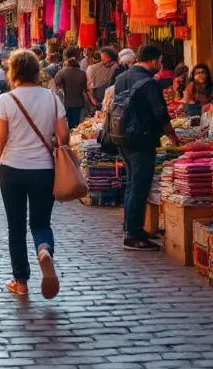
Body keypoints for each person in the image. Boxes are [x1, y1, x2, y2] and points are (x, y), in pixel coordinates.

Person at [0, 49, 68, 299]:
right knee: (40, 222)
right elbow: (64, 135)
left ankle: (21, 281)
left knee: (16, 226)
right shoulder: (51, 98)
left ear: (13, 72)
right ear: (36, 71)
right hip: (44, 169)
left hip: (12, 169)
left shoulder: (5, 100)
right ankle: (44, 250)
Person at [109, 44, 180, 251]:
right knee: (139, 186)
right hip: (141, 139)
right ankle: (133, 235)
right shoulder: (150, 83)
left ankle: (131, 227)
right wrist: (173, 136)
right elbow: (160, 112)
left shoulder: (122, 78)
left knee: (132, 184)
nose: (160, 66)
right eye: (160, 62)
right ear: (153, 60)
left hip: (122, 137)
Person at [54, 55, 93, 127]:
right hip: (79, 101)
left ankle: (70, 131)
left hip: (67, 101)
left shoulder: (62, 72)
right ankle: (74, 131)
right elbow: (85, 88)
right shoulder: (82, 73)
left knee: (69, 121)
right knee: (76, 121)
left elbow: (56, 83)